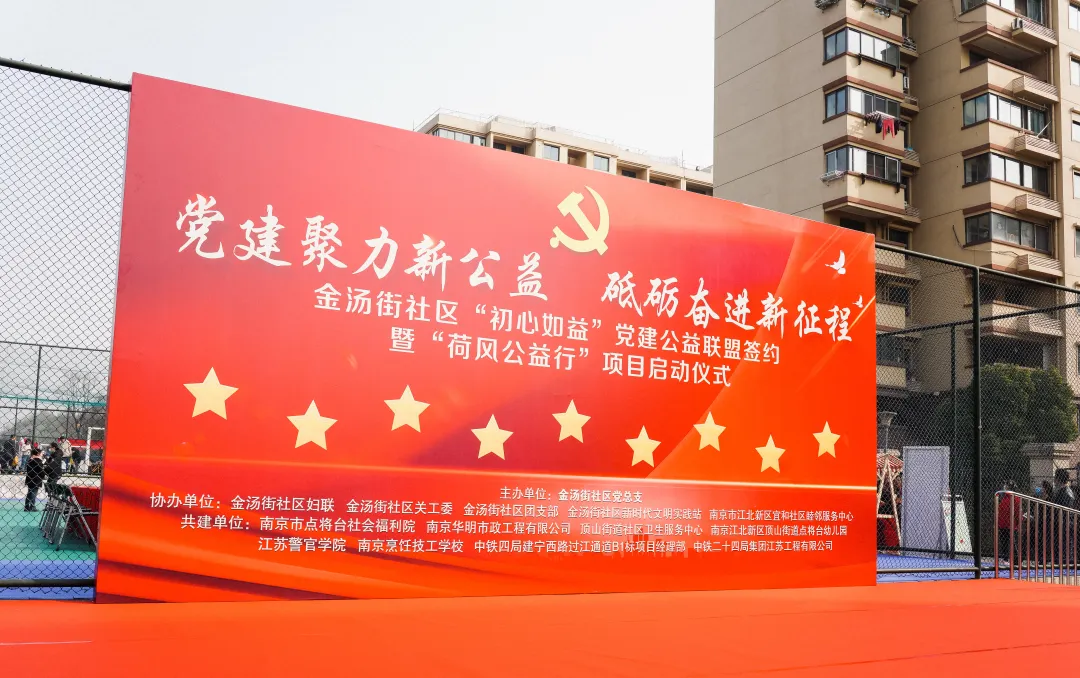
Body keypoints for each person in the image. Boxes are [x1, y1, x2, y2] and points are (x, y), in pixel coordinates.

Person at [997, 480, 1023, 561]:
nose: (1004, 487)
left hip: (1010, 525)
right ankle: (1006, 558)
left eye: (1006, 485)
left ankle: (1016, 559)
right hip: (1004, 524)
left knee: (1012, 542)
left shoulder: (1015, 498)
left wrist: (1018, 522)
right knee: (1005, 542)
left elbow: (1018, 511)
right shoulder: (1004, 498)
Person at [24, 448, 45, 512]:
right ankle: (32, 506)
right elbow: (41, 471)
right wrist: (43, 475)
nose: (42, 454)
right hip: (36, 479)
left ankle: (27, 506)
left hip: (29, 478)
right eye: (41, 453)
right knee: (34, 492)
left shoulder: (30, 460)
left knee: (29, 492)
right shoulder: (38, 461)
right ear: (38, 454)